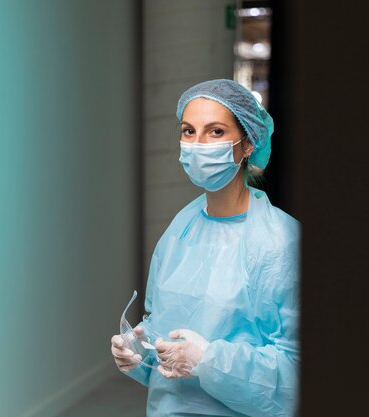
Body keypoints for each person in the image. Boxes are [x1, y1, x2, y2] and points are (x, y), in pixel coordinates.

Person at [110, 79, 300, 417]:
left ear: (247, 144)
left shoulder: (280, 242)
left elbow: (296, 371)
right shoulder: (180, 231)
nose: (198, 144)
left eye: (215, 132)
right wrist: (139, 352)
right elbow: (162, 328)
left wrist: (210, 361)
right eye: (188, 131)